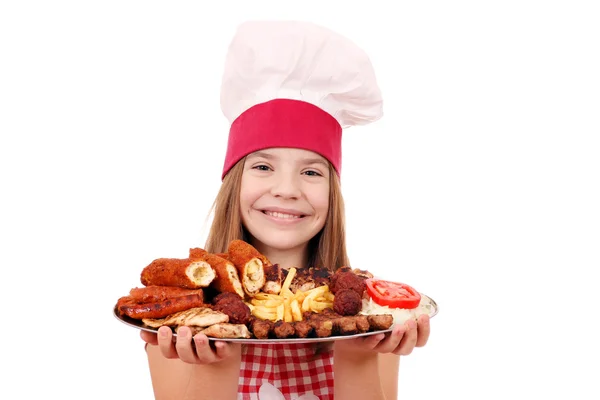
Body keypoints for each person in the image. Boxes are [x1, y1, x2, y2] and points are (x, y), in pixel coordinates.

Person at [140, 20, 431, 400]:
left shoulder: (369, 310)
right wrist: (216, 363)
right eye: (263, 167)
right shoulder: (182, 319)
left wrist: (357, 352)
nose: (287, 189)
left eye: (311, 172)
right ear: (233, 183)